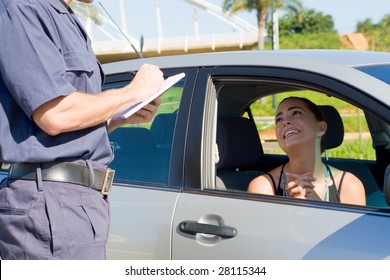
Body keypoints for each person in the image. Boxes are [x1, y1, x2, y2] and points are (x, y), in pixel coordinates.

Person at [0, 0, 165, 259]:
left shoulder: (65, 17)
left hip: (75, 202)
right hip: (50, 202)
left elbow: (65, 128)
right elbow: (54, 115)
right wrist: (132, 92)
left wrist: (119, 116)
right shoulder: (25, 7)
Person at [248, 97, 366, 206]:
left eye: (296, 113)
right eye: (279, 119)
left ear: (321, 128)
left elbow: (355, 230)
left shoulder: (349, 185)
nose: (285, 122)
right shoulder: (263, 187)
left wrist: (317, 207)